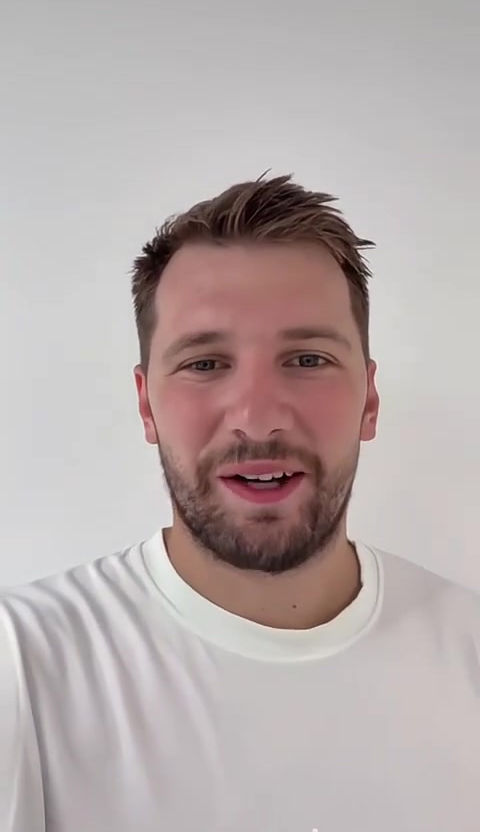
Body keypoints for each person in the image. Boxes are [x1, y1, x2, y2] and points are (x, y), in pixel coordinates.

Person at [1, 174, 479, 832]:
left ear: (369, 400)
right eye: (205, 364)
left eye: (307, 360)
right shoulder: (22, 666)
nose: (256, 419)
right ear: (146, 405)